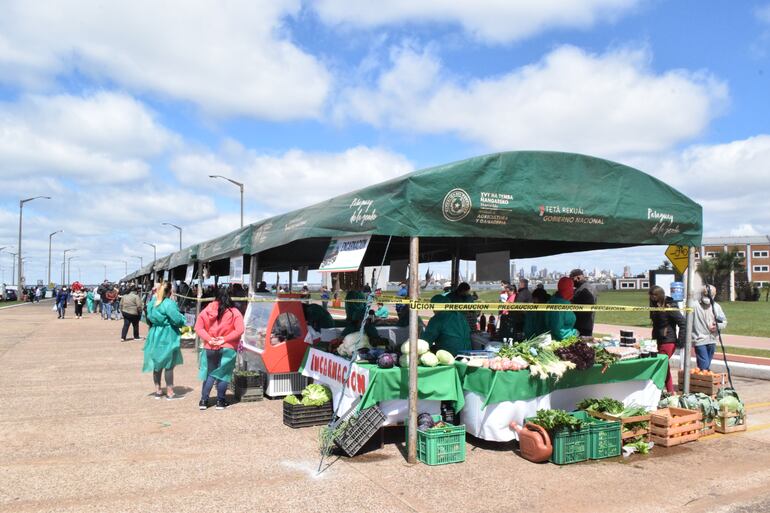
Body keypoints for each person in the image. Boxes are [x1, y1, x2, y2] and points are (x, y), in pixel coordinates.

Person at [195, 287, 244, 410]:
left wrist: (209, 339)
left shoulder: (206, 310)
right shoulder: (234, 312)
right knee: (224, 375)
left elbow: (198, 328)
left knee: (209, 373)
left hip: (209, 347)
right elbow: (240, 330)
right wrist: (225, 339)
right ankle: (220, 401)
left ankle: (203, 401)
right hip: (228, 347)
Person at [142, 281, 186, 400]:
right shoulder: (169, 303)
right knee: (169, 364)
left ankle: (158, 390)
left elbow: (146, 318)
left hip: (154, 333)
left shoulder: (152, 303)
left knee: (157, 363)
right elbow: (177, 320)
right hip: (167, 334)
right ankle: (170, 392)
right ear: (170, 291)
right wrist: (183, 320)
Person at [649, 285, 686, 393]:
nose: (652, 298)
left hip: (668, 341)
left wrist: (680, 341)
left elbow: (682, 323)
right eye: (651, 296)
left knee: (661, 364)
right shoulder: (654, 306)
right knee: (664, 366)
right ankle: (670, 391)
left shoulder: (670, 306)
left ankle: (661, 391)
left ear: (659, 295)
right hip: (657, 341)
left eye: (654, 295)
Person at [422, 291, 471, 356]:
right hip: (468, 353)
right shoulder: (460, 315)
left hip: (450, 354)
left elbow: (425, 341)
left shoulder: (438, 318)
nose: (433, 310)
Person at [692, 285, 727, 371]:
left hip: (712, 339)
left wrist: (717, 326)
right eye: (705, 294)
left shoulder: (717, 307)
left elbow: (724, 322)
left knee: (706, 363)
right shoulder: (694, 306)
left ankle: (702, 379)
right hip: (699, 339)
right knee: (704, 363)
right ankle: (704, 376)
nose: (707, 297)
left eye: (710, 295)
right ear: (701, 294)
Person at [546, 277, 578, 341]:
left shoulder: (554, 300)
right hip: (560, 342)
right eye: (571, 288)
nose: (572, 291)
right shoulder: (560, 304)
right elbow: (558, 330)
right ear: (568, 289)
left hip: (556, 339)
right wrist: (575, 333)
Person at [570, 269, 597, 337]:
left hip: (583, 327)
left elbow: (586, 310)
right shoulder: (581, 288)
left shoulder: (586, 289)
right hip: (582, 325)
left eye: (572, 279)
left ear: (578, 278)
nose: (571, 282)